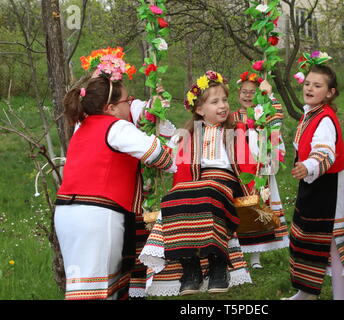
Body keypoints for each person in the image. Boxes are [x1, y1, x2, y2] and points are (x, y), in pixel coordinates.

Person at [55, 47, 175, 300]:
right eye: (127, 102)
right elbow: (159, 156)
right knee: (96, 291)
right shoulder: (117, 127)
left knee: (84, 284)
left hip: (66, 212)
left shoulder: (80, 127)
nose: (130, 105)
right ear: (110, 107)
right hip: (98, 214)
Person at [139, 70, 254, 296]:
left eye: (224, 100)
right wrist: (158, 110)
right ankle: (190, 267)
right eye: (215, 102)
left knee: (208, 191)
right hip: (197, 182)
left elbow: (250, 155)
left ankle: (218, 262)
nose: (222, 106)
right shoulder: (189, 134)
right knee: (172, 199)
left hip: (224, 179)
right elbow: (166, 143)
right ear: (200, 110)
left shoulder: (235, 129)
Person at [286, 52, 344, 300]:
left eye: (318, 85)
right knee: (306, 237)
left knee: (331, 242)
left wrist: (308, 166)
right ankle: (306, 292)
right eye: (308, 84)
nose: (310, 88)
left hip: (329, 185)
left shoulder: (325, 119)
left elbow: (325, 152)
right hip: (312, 184)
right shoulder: (310, 113)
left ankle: (342, 295)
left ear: (331, 92)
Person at [231, 71, 289, 269]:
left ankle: (255, 257)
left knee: (257, 207)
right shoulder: (233, 117)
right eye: (244, 92)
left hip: (258, 168)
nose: (247, 96)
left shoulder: (262, 113)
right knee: (239, 209)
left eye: (252, 92)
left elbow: (276, 124)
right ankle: (237, 255)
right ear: (238, 93)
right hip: (239, 170)